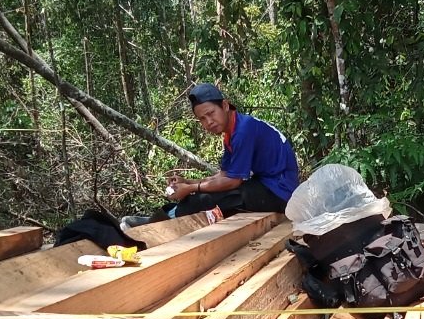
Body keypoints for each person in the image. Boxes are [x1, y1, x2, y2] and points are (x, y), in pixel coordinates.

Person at [121, 83, 299, 233]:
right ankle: (166, 216)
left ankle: (162, 222)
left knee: (212, 198)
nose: (208, 122)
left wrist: (193, 189)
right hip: (268, 185)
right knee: (211, 194)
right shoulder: (234, 130)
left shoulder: (243, 131)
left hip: (280, 192)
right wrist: (189, 183)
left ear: (225, 105)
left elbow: (232, 182)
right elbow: (223, 175)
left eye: (211, 113)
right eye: (202, 119)